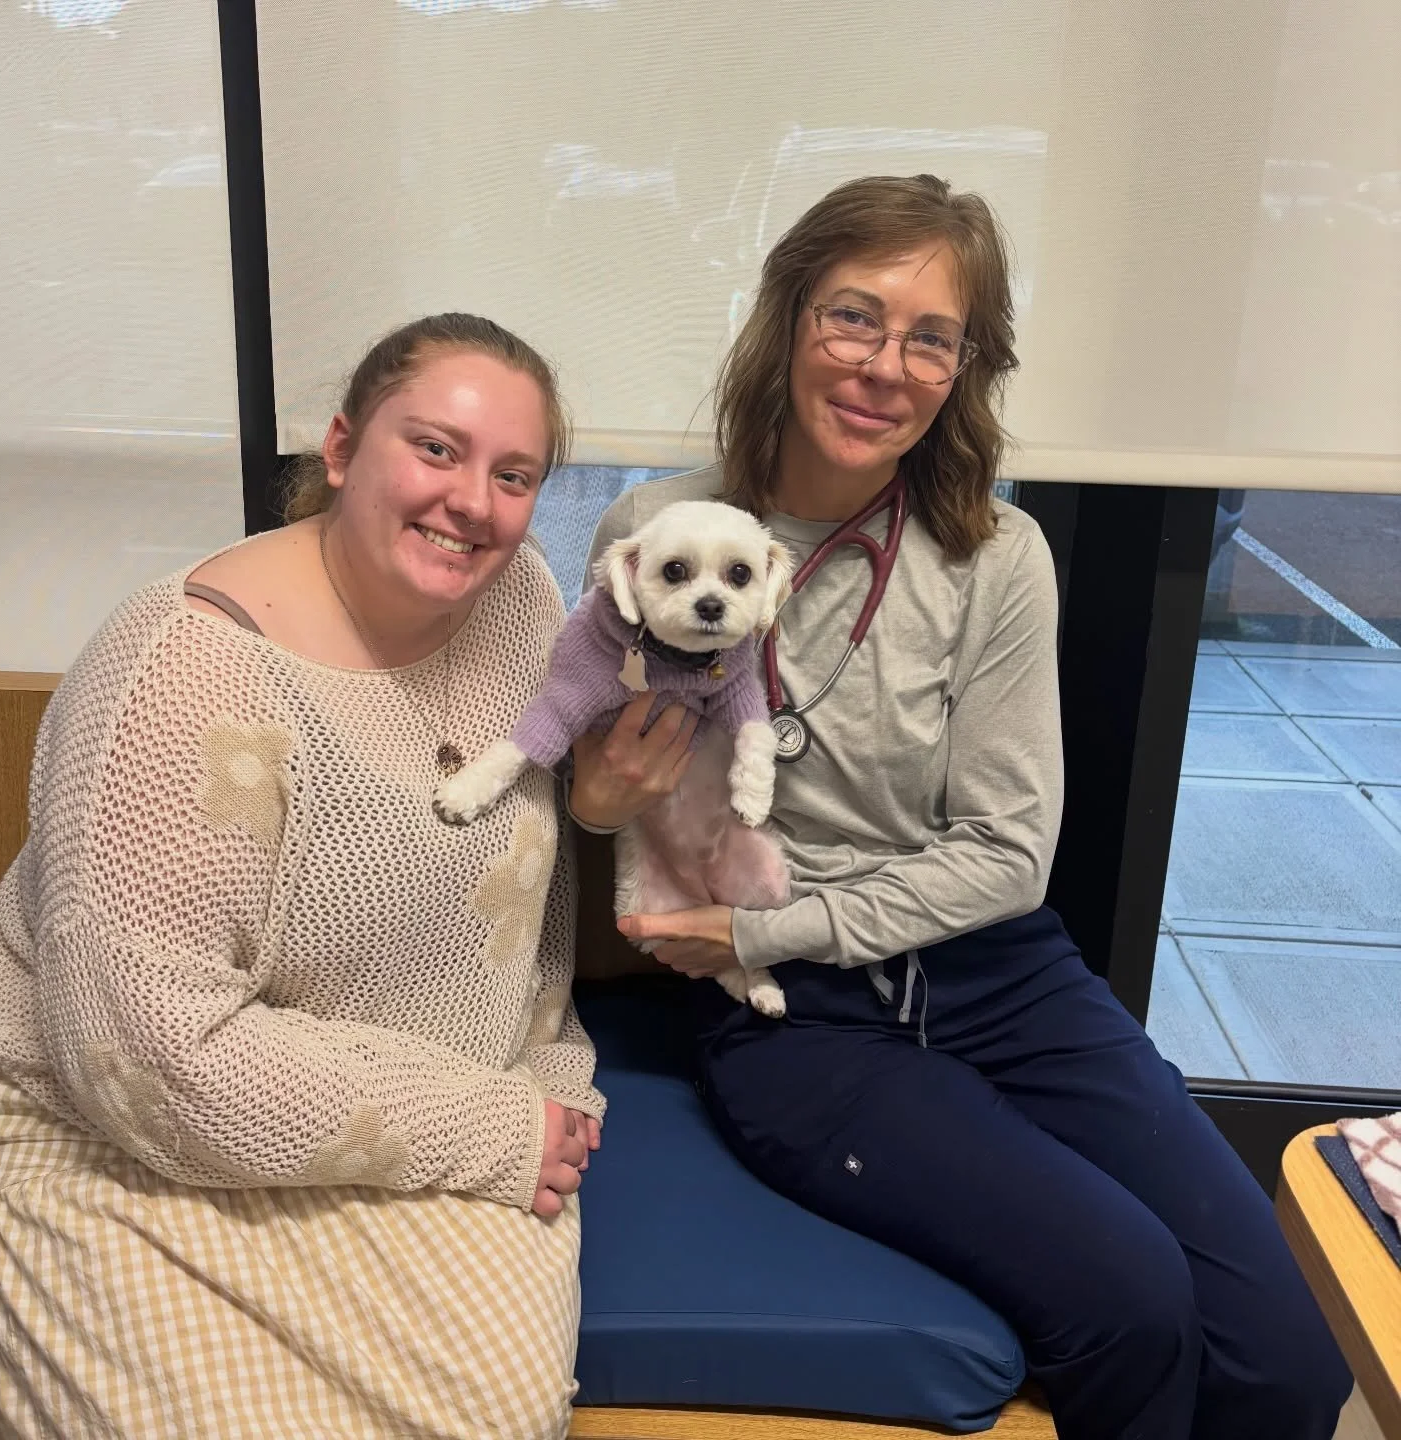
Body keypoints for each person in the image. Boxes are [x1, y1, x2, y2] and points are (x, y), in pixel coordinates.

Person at [572, 176, 1352, 1440]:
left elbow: (1005, 859)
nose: (888, 365)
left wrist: (764, 930)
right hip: (797, 1026)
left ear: (966, 369)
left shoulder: (995, 554)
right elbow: (599, 797)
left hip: (993, 978)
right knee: (1135, 1308)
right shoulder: (654, 533)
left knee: (1286, 1360)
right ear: (784, 317)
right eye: (854, 318)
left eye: (934, 337)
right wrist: (596, 804)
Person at [0, 314, 605, 1439]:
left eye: (515, 475)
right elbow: (149, 1059)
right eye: (437, 449)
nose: (474, 503)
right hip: (116, 1130)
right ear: (344, 448)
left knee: (499, 1410)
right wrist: (497, 1130)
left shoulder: (522, 601)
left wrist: (527, 1077)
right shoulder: (184, 676)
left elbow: (535, 868)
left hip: (431, 1104)